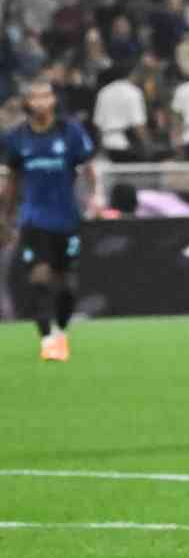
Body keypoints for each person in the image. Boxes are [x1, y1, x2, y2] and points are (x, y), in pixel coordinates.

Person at [0, 79, 100, 360]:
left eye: (46, 96)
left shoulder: (70, 132)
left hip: (67, 218)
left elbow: (89, 169)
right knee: (39, 278)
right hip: (33, 218)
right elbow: (12, 181)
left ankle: (61, 332)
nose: (42, 101)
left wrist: (93, 198)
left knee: (66, 283)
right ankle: (46, 341)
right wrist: (5, 217)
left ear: (54, 100)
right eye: (35, 97)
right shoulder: (16, 137)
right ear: (27, 103)